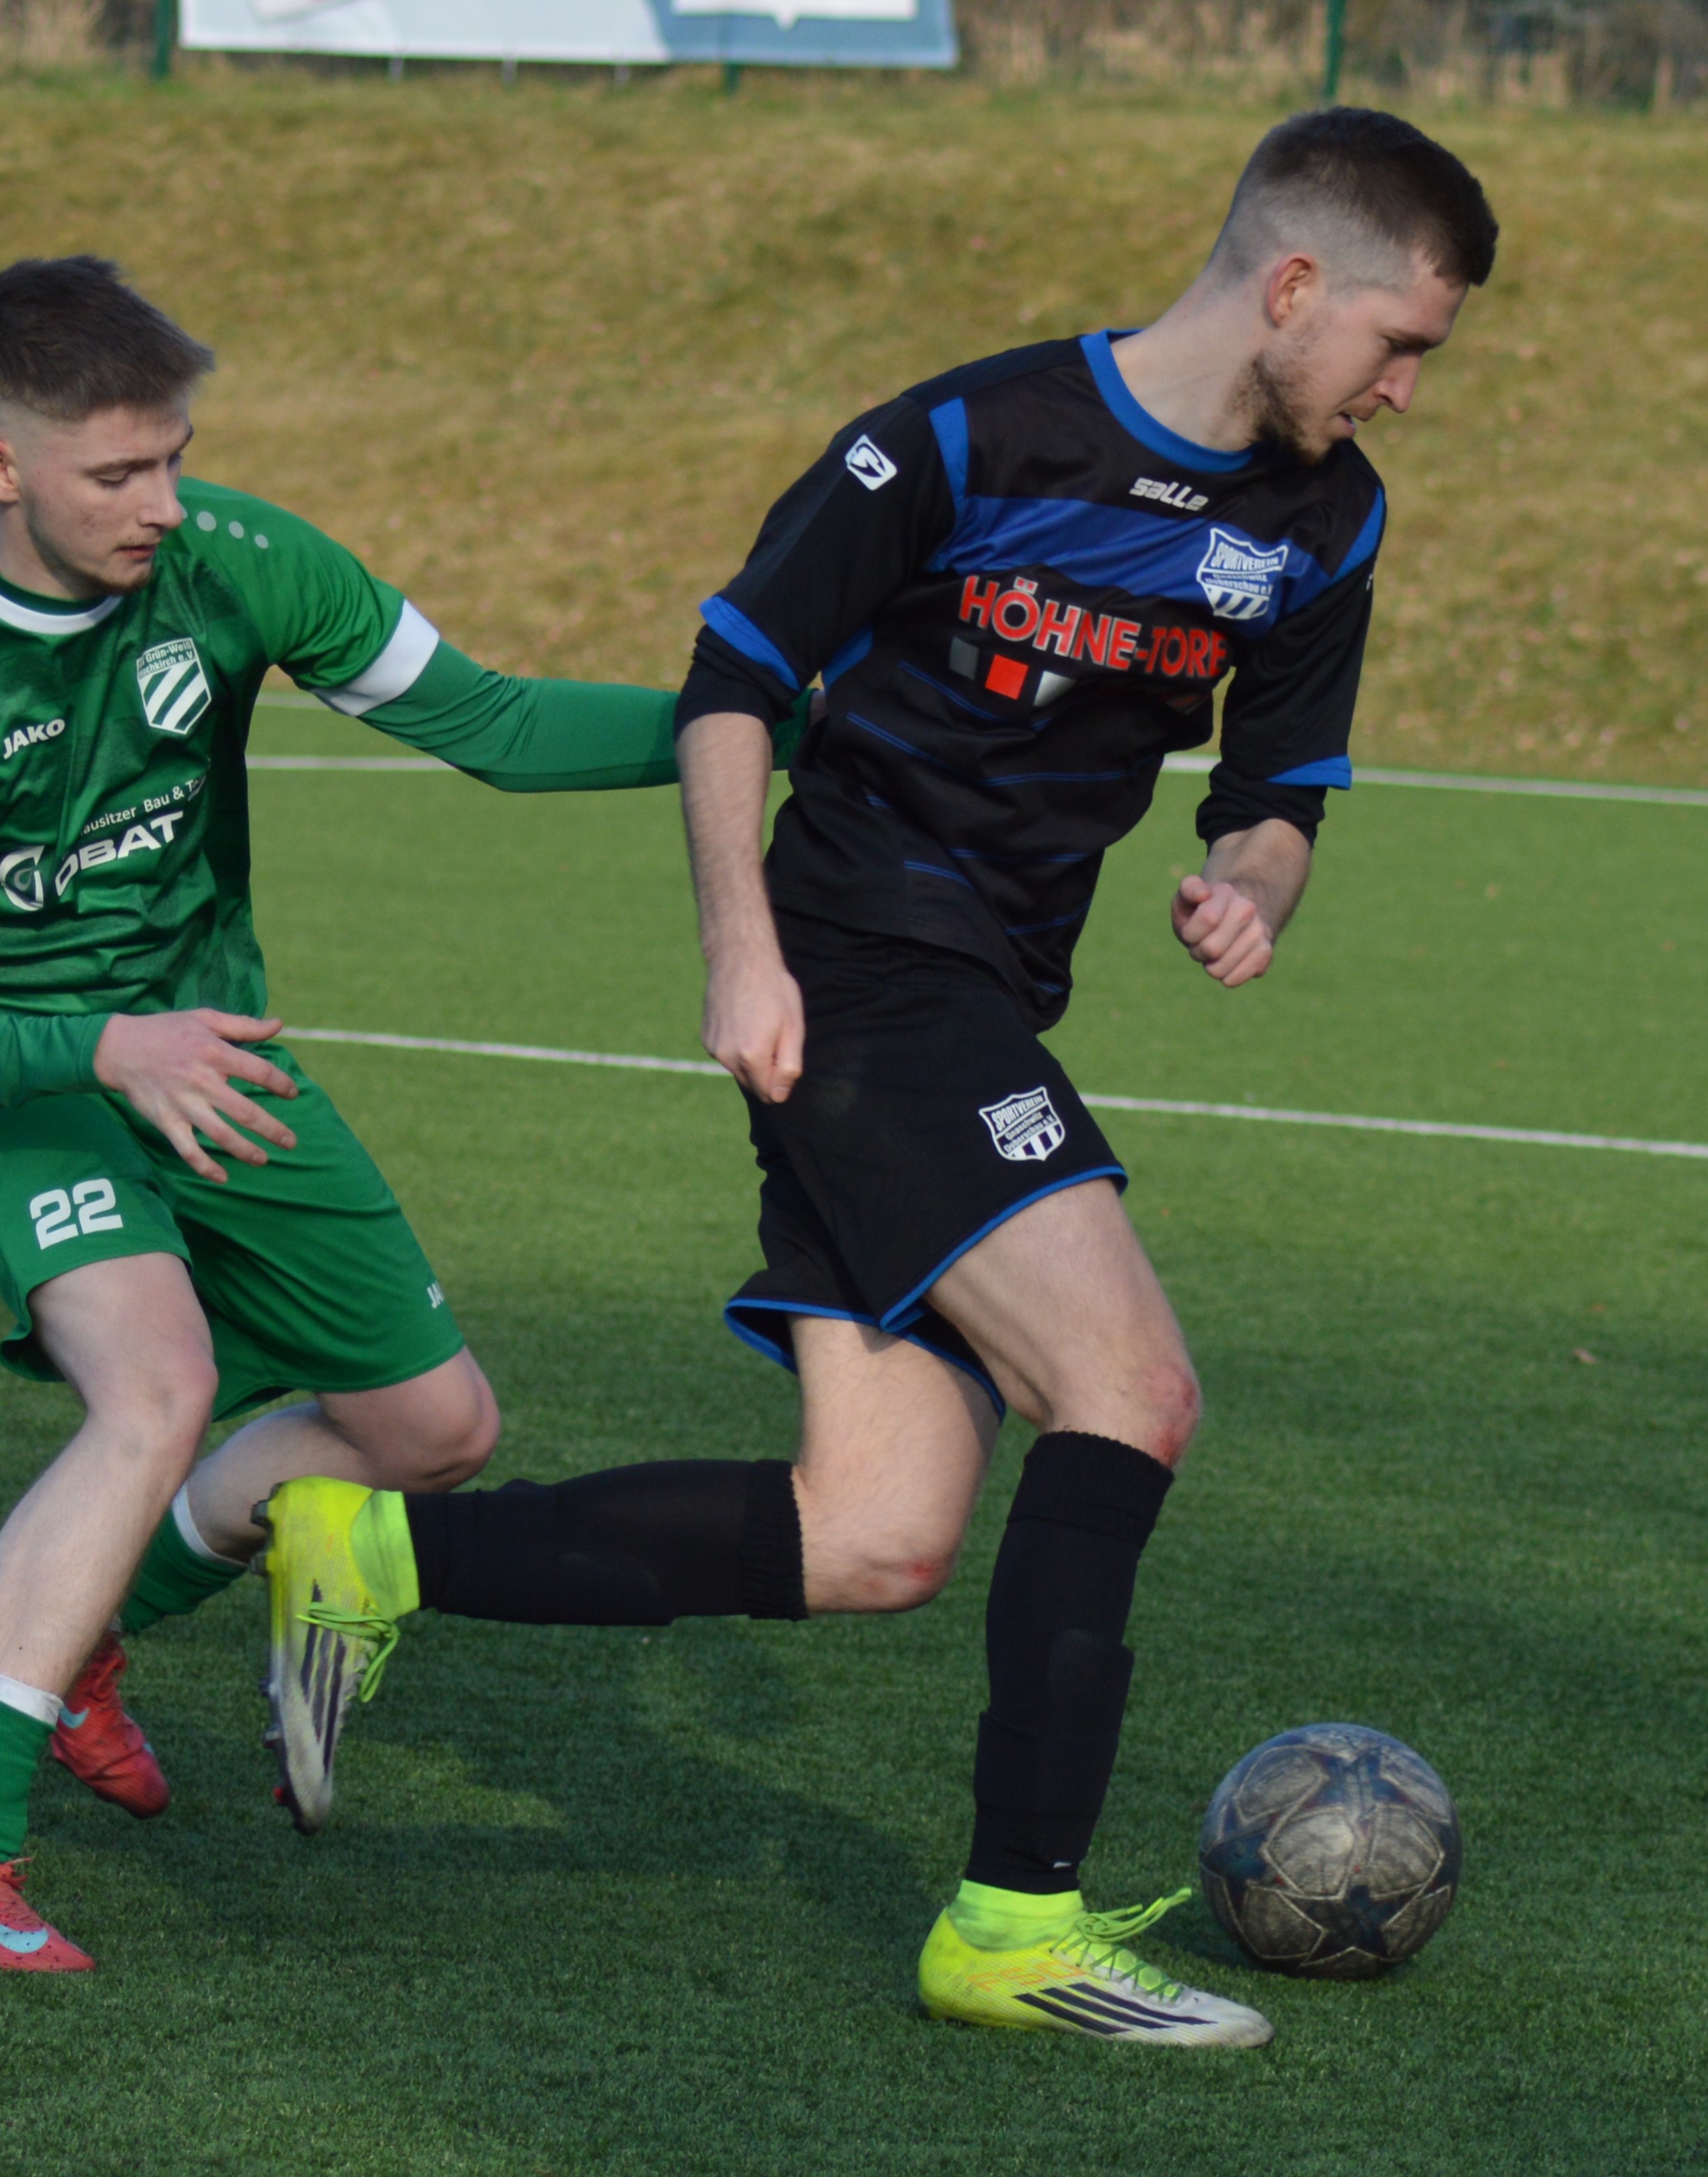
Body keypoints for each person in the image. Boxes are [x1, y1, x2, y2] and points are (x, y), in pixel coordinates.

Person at [256, 107, 1497, 2049]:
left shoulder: (1323, 522)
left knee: (876, 1531)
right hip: (860, 961)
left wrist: (1251, 887)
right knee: (1133, 1388)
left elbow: (1279, 793)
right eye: (1398, 341)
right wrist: (740, 944)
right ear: (1288, 286)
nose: (1406, 388)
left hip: (984, 989)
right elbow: (738, 676)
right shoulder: (964, 438)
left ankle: (368, 1548)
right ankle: (1014, 1922)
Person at [0, 258, 797, 1972]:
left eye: (174, 458)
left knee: (434, 1426)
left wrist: (771, 724)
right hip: (14, 1075)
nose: (161, 504)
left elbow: (495, 722)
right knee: (160, 1387)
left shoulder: (236, 560)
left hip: (210, 1046)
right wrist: (108, 1050)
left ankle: (68, 1612)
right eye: (116, 473)